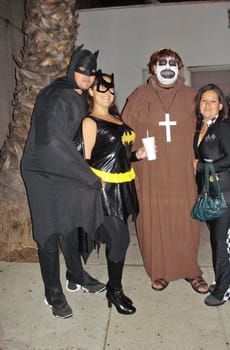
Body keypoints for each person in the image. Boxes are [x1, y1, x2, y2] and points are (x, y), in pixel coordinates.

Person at [21, 45, 106, 319]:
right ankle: (53, 294)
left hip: (61, 165)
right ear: (72, 69)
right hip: (41, 171)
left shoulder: (72, 94)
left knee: (68, 223)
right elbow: (50, 143)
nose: (87, 75)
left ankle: (76, 274)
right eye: (82, 70)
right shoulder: (61, 96)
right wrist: (87, 176)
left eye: (91, 72)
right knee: (48, 233)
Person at [121, 48, 208, 293]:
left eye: (173, 62)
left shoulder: (193, 96)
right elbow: (125, 133)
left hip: (182, 170)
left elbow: (212, 125)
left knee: (185, 220)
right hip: (150, 171)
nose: (168, 66)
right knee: (153, 219)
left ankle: (190, 270)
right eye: (162, 62)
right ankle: (159, 269)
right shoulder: (139, 95)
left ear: (180, 67)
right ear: (153, 67)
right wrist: (130, 157)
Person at [73, 70, 146, 315]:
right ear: (91, 91)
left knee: (119, 238)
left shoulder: (117, 119)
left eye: (111, 89)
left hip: (123, 186)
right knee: (121, 239)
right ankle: (114, 291)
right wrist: (93, 180)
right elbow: (80, 159)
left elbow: (120, 155)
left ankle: (113, 288)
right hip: (103, 190)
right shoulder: (89, 121)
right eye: (102, 88)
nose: (109, 93)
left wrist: (137, 155)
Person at [193, 83, 230, 306]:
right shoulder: (202, 126)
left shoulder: (224, 126)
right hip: (214, 190)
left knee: (222, 240)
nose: (207, 105)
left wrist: (200, 167)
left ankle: (227, 289)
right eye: (204, 100)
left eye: (212, 100)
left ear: (220, 105)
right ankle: (224, 280)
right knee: (217, 240)